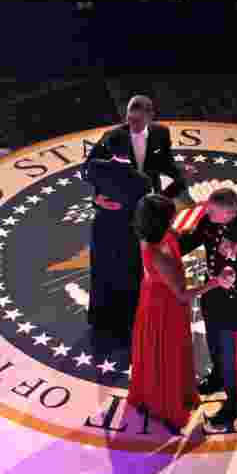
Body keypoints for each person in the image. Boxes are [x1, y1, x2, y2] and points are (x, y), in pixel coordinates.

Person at [82, 95, 189, 337]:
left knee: (142, 267)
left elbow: (169, 167)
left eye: (139, 121)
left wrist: (167, 194)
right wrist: (95, 199)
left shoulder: (161, 134)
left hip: (147, 211)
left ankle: (138, 316)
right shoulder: (112, 137)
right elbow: (87, 170)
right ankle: (111, 319)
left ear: (151, 117)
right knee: (119, 264)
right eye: (130, 119)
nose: (133, 125)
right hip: (119, 211)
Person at [127, 195, 235, 434]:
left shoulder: (158, 232)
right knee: (167, 353)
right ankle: (165, 405)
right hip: (164, 307)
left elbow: (184, 234)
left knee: (161, 352)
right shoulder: (157, 253)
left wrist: (205, 210)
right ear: (161, 221)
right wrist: (215, 282)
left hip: (158, 297)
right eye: (170, 215)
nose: (174, 217)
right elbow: (182, 295)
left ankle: (160, 395)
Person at [174, 188, 237, 428]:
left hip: (234, 308)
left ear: (228, 213)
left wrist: (232, 284)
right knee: (214, 345)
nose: (207, 213)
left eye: (212, 211)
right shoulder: (209, 222)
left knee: (232, 357)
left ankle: (236, 404)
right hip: (211, 298)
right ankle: (216, 378)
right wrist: (165, 247)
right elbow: (190, 242)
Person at [81, 155, 152, 338]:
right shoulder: (142, 181)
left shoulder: (97, 167)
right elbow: (143, 210)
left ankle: (101, 319)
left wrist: (96, 199)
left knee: (102, 272)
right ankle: (128, 320)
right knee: (128, 274)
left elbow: (89, 176)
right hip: (128, 233)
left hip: (103, 230)